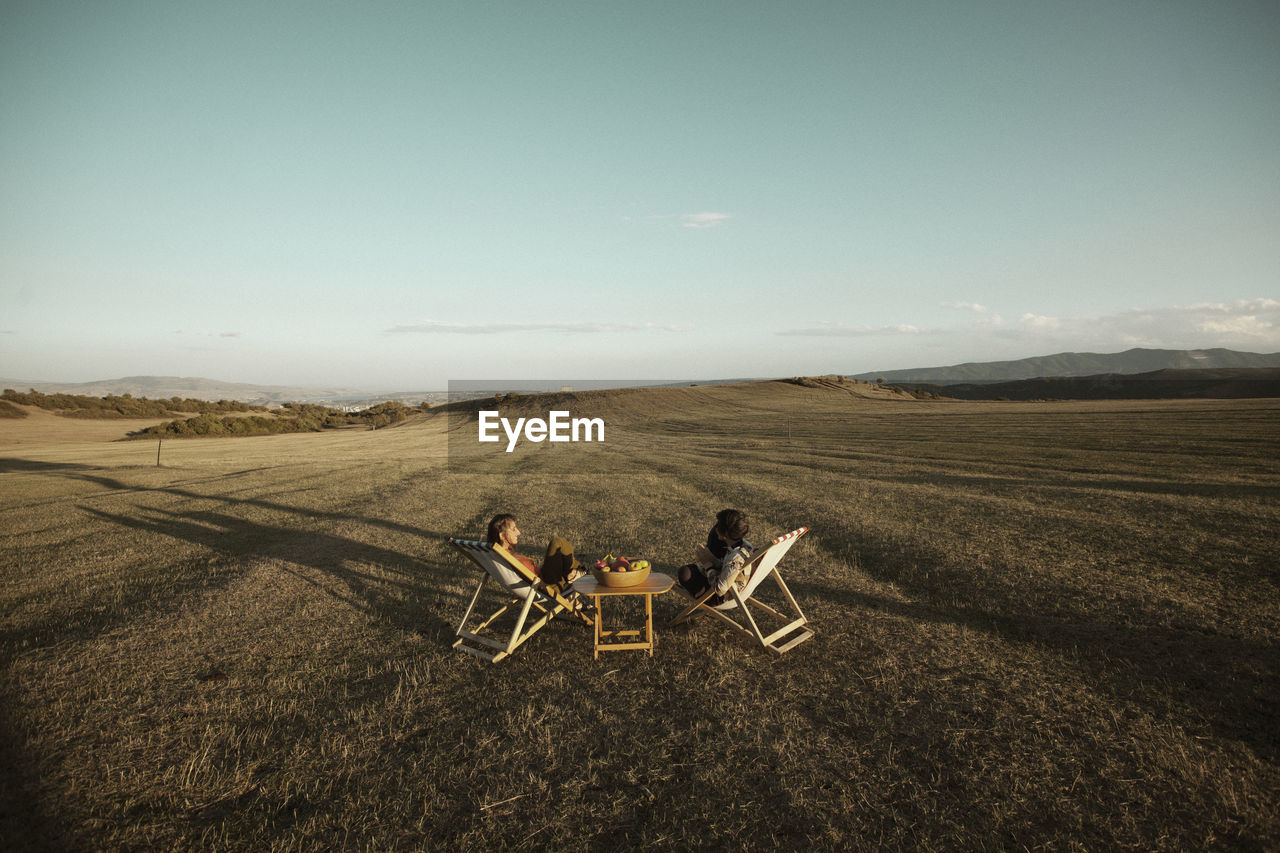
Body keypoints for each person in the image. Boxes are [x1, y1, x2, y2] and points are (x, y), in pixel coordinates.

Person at [485, 513, 584, 593]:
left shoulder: (495, 554)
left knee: (559, 551)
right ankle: (578, 571)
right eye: (514, 529)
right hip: (549, 586)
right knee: (557, 543)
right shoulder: (508, 558)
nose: (518, 532)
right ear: (502, 536)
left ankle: (576, 572)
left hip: (541, 581)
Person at [677, 509, 754, 605]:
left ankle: (701, 595)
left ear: (725, 534)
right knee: (691, 570)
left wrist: (707, 564)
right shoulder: (746, 546)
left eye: (718, 525)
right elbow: (729, 570)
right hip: (736, 588)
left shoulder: (736, 558)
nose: (715, 527)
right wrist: (712, 559)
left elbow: (720, 589)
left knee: (685, 573)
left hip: (721, 597)